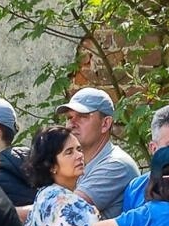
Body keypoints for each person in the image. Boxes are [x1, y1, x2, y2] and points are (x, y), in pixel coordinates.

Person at [58, 87, 140, 217]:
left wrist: (13, 213)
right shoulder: (79, 164)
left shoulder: (116, 165)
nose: (71, 124)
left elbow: (63, 212)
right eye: (69, 117)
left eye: (82, 116)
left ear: (105, 124)